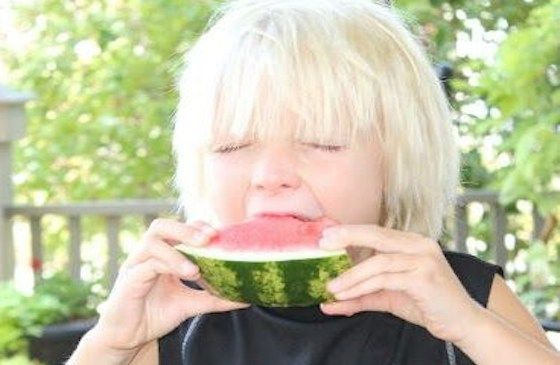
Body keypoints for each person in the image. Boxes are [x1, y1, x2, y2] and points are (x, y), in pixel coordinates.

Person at [67, 0, 560, 364]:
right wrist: (110, 342)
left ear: (397, 162)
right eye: (233, 147)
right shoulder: (175, 321)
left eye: (322, 142)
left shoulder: (466, 295)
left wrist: (471, 328)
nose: (271, 176)